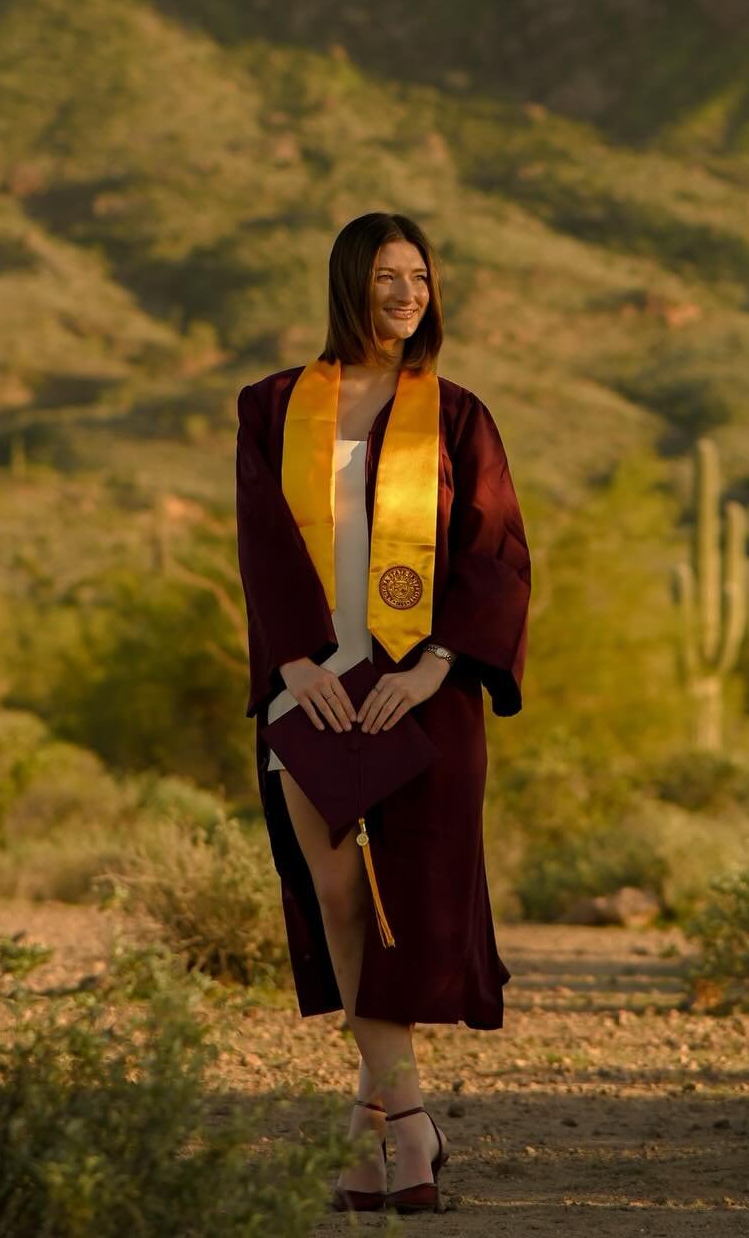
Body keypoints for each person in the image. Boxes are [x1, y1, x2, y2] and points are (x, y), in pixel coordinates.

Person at [235, 210, 531, 1215]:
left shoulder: (458, 416)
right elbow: (261, 542)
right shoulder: (274, 406)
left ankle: (375, 1136)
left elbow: (496, 554)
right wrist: (292, 660)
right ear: (349, 284)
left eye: (421, 278)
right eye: (388, 278)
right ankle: (412, 1124)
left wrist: (438, 664)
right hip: (315, 685)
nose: (408, 295)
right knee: (339, 898)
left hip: (420, 693)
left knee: (408, 906)